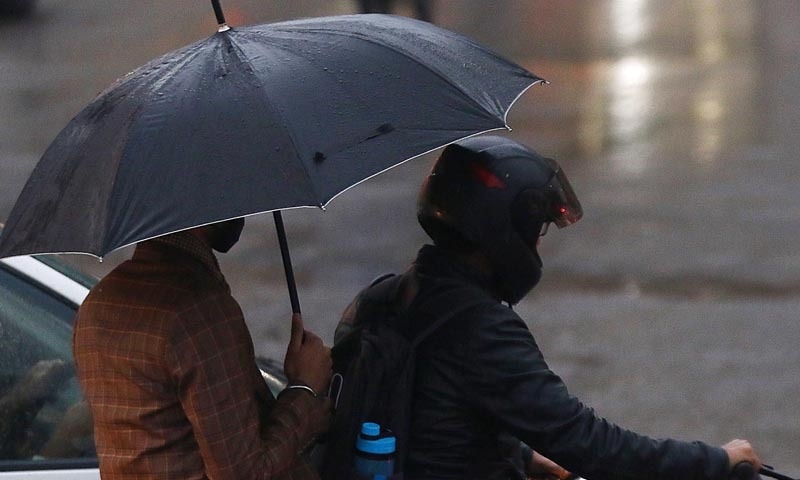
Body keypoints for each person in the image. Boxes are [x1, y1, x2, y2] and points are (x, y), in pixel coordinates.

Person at [336, 136, 762, 480]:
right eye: (537, 229)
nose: (539, 243)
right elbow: (588, 443)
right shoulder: (481, 328)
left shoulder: (383, 297)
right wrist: (714, 461)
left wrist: (523, 456)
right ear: (501, 229)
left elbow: (430, 415)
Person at [73, 219, 333, 479]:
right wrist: (304, 389)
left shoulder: (95, 304)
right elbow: (242, 472)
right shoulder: (199, 311)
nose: (241, 215)